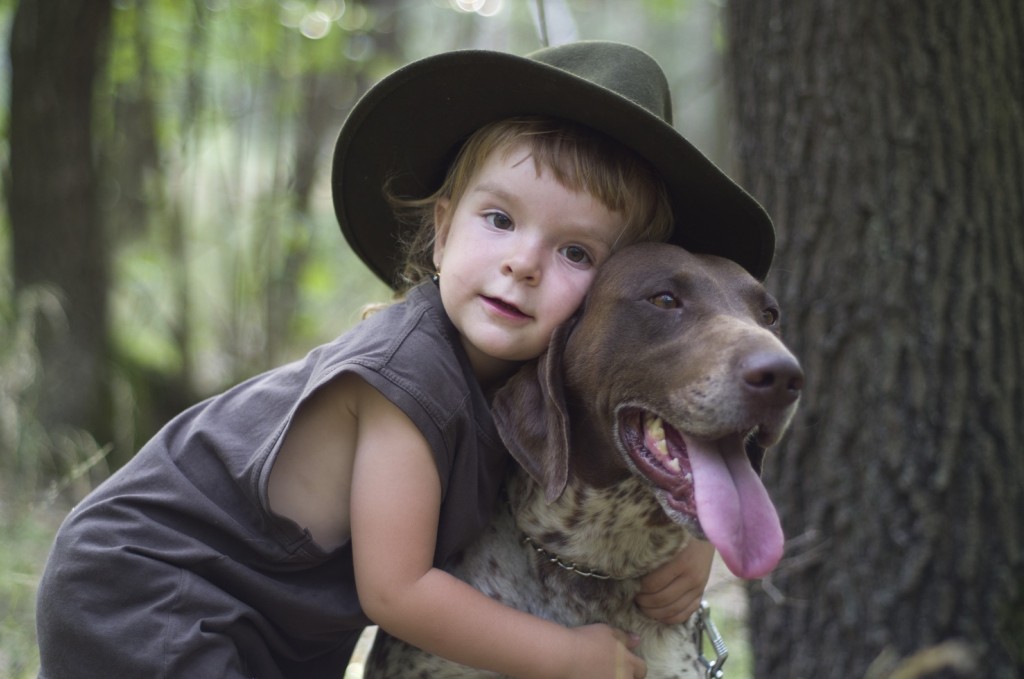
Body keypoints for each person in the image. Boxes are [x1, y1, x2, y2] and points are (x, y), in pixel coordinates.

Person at [35, 41, 774, 679]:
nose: (523, 263)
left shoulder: (517, 381)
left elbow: (612, 472)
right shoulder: (407, 380)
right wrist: (563, 655)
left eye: (575, 251)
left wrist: (692, 543)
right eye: (500, 218)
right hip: (149, 582)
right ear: (442, 228)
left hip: (265, 615)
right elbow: (398, 592)